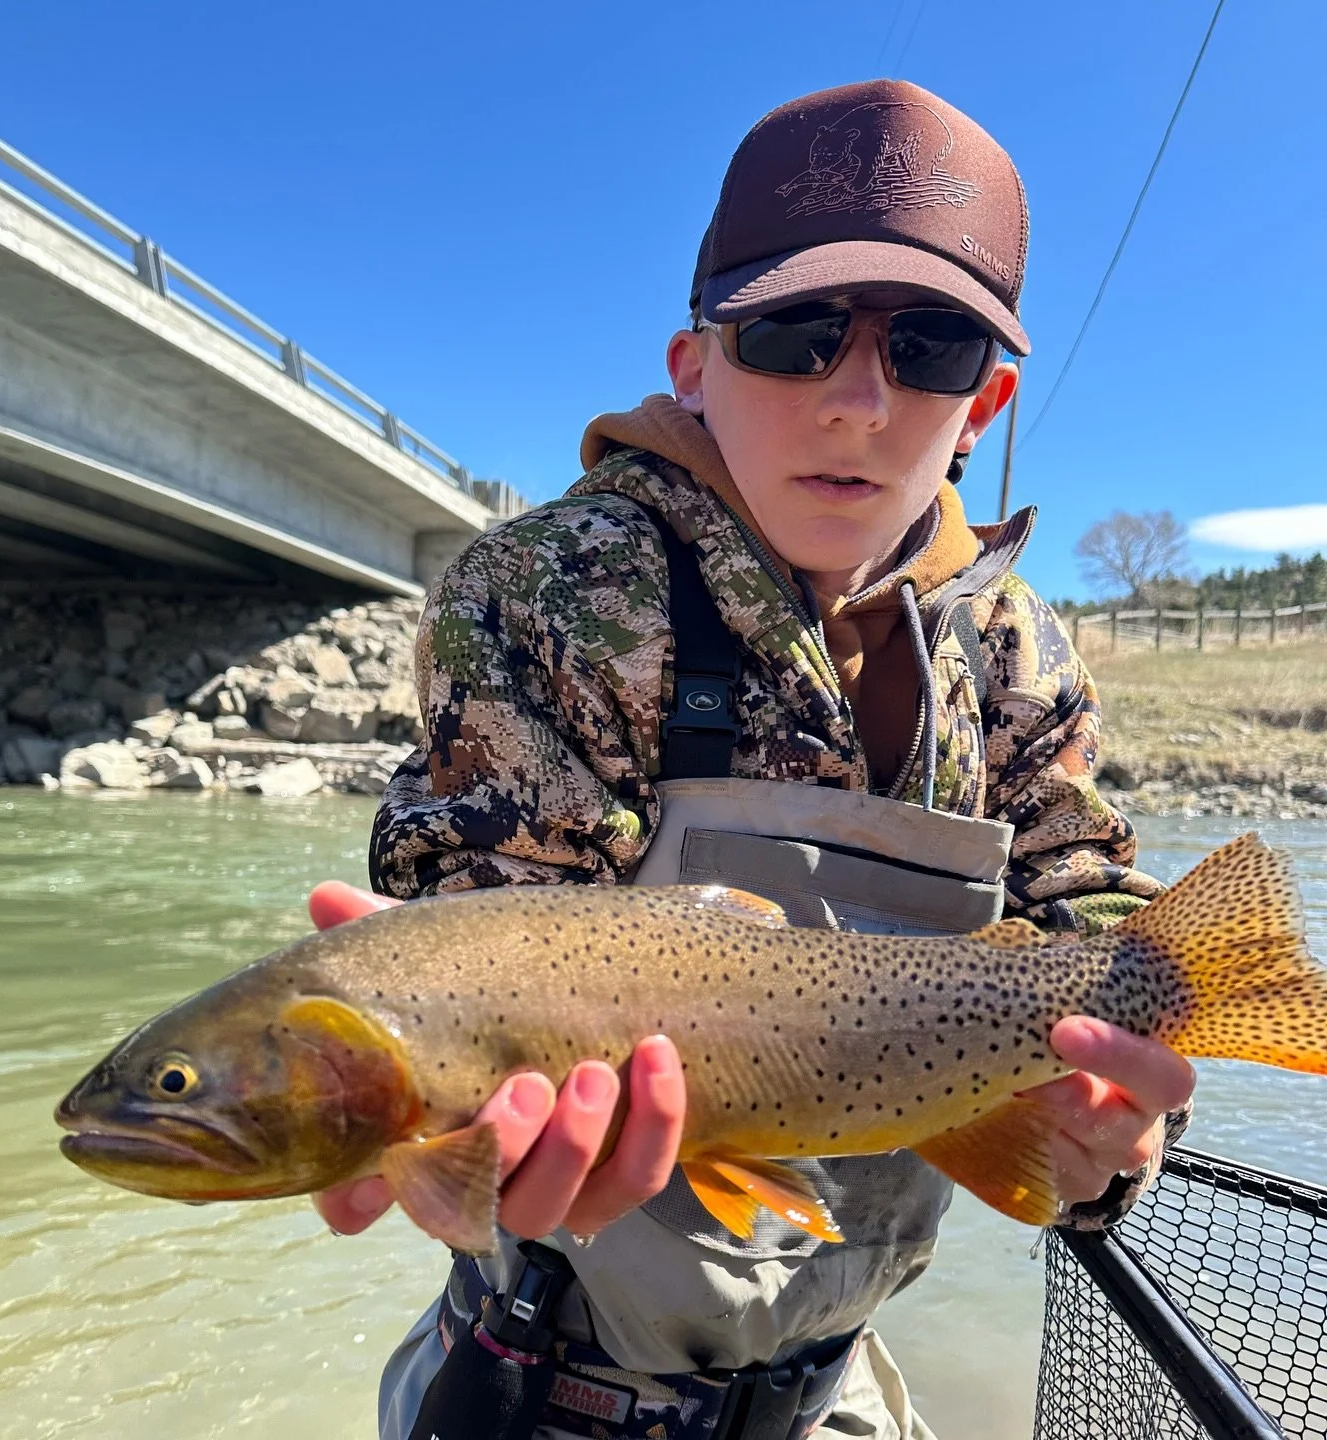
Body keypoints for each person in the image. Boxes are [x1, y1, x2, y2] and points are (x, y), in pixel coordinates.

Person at [310, 78, 1196, 1440]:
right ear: (694, 364)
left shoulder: (1019, 649)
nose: (858, 398)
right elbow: (481, 938)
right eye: (792, 332)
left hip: (835, 1384)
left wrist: (1116, 1127)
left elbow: (1087, 909)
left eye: (931, 347)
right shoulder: (546, 590)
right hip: (546, 1382)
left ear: (985, 401)